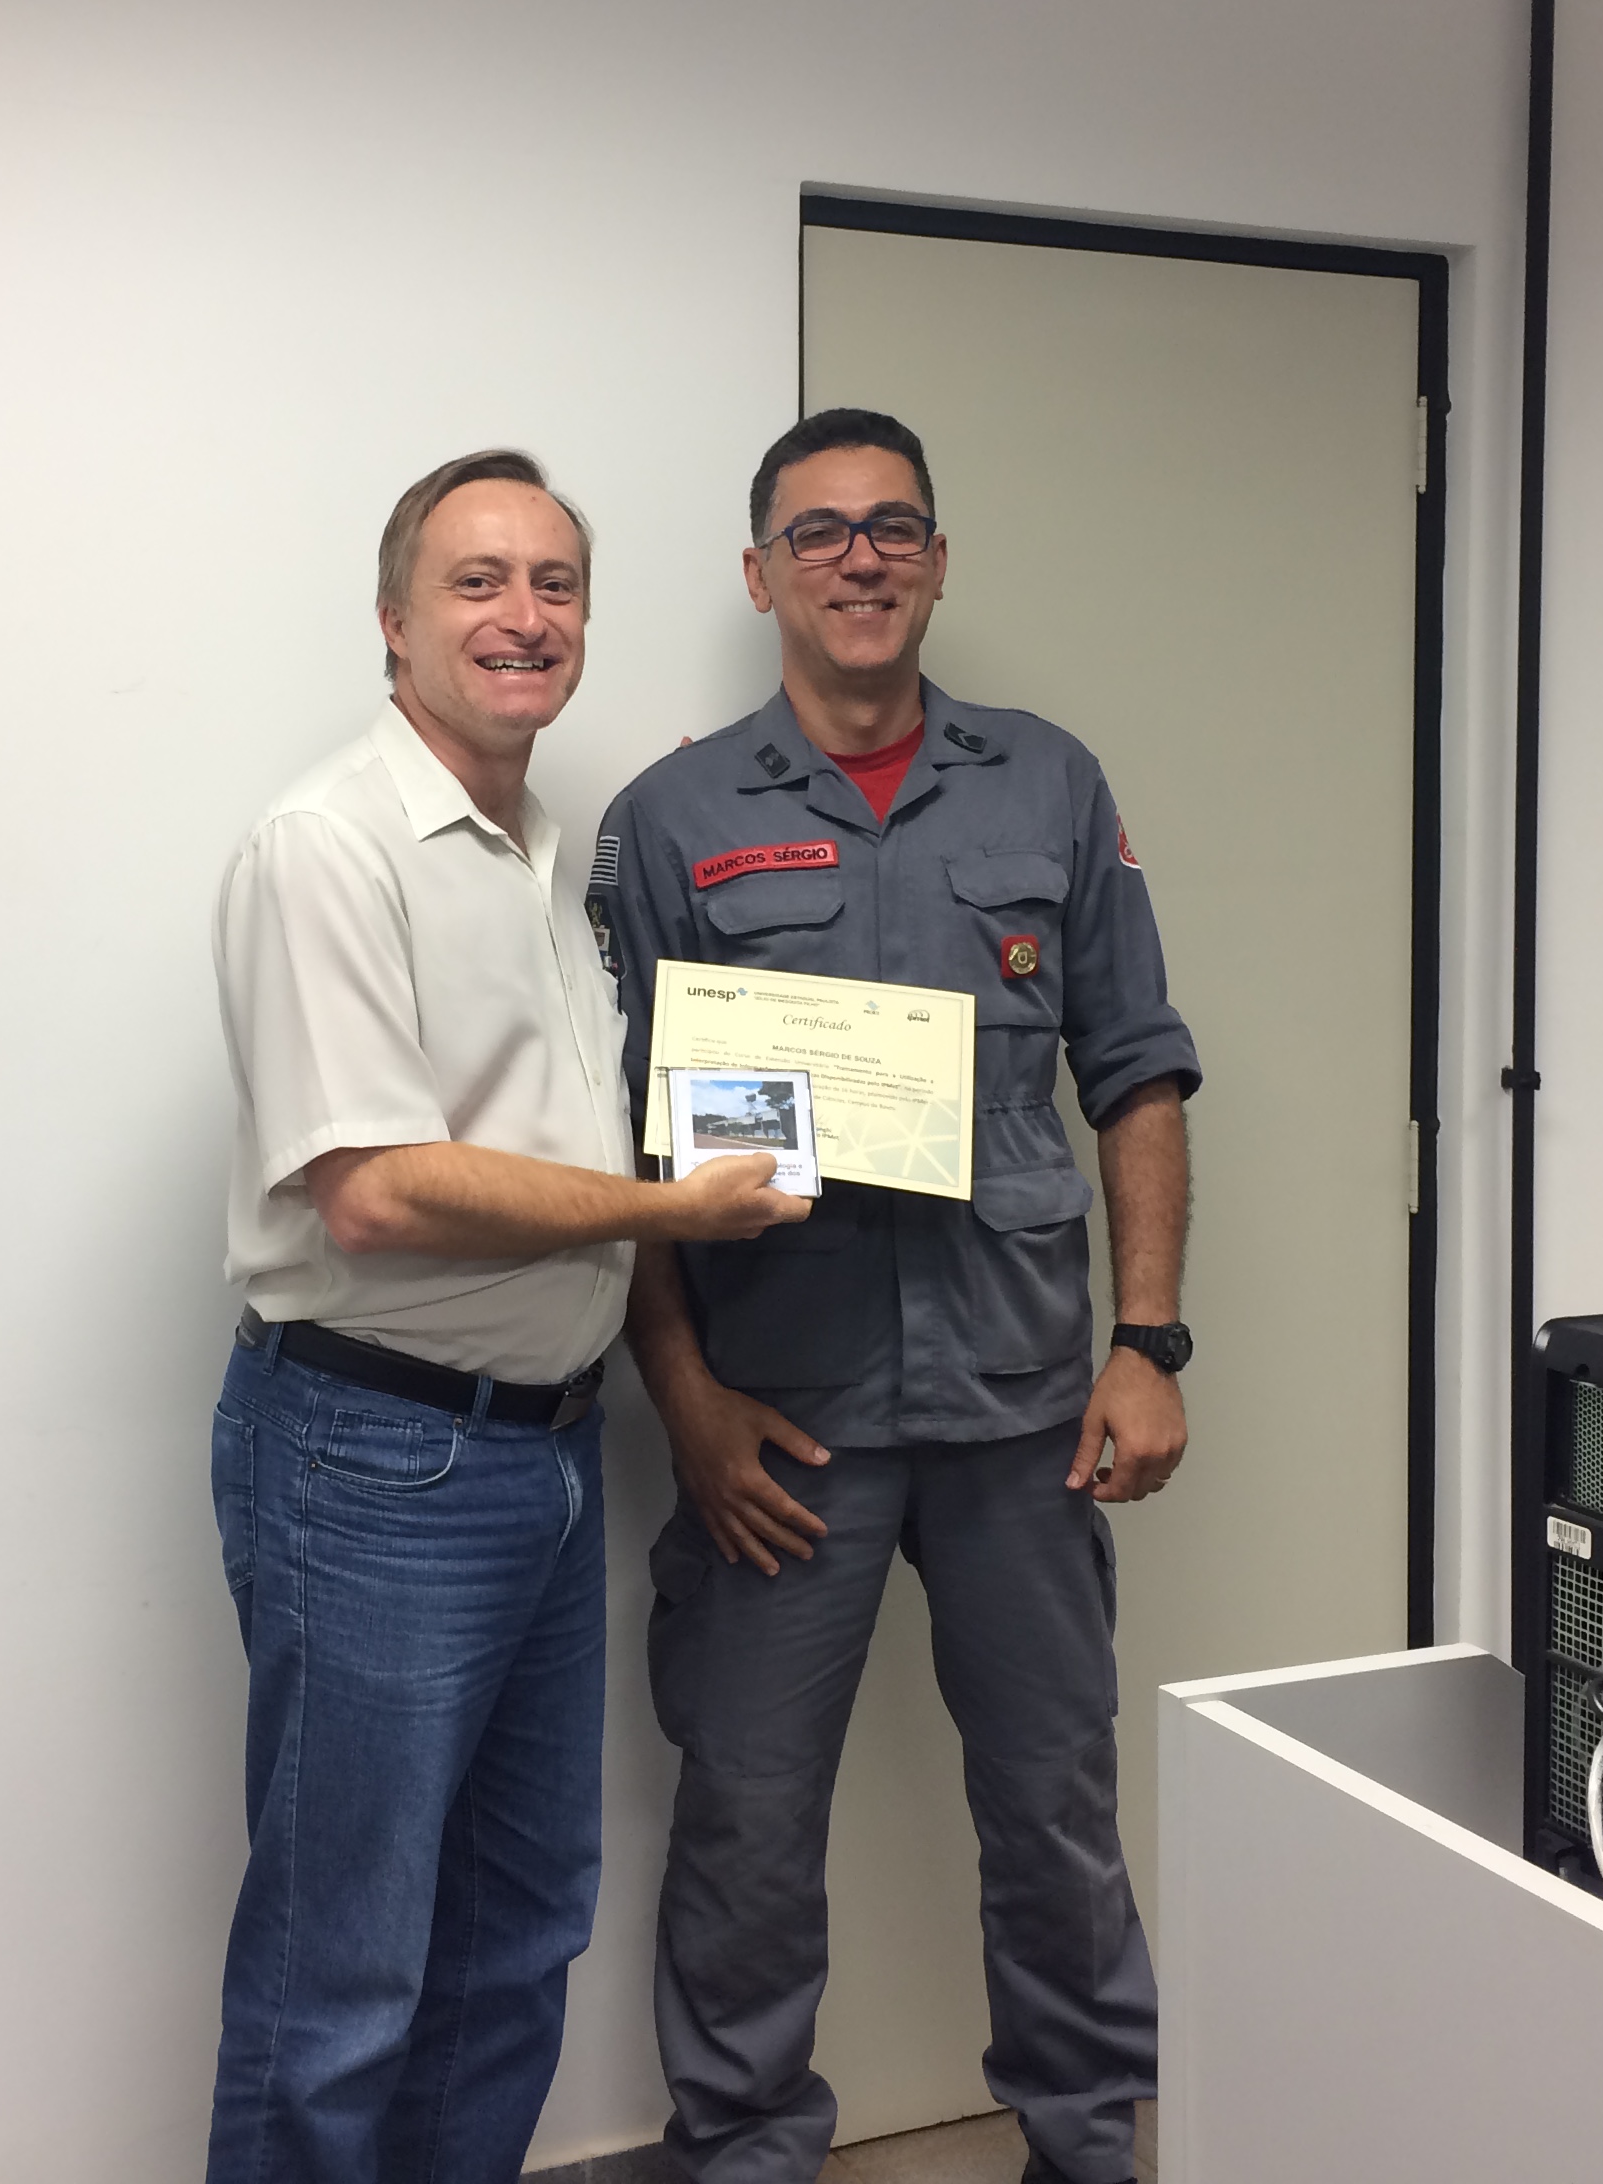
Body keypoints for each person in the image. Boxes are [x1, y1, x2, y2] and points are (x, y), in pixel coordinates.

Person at [590, 409, 1200, 2184]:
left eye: (895, 526)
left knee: (1057, 1813)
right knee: (747, 1828)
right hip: (782, 1430)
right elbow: (622, 1146)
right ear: (760, 573)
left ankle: (1087, 2149)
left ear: (937, 561)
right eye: (820, 530)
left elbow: (1138, 1073)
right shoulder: (672, 819)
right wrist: (686, 1403)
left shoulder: (1050, 785)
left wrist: (1147, 1345)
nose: (860, 557)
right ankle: (747, 2152)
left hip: (1023, 1413)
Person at [205, 448, 808, 2184]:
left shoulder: (544, 857)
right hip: (369, 1460)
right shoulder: (331, 847)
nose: (523, 616)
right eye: (477, 582)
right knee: (341, 1973)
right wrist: (673, 1214)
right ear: (393, 622)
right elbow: (377, 1191)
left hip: (541, 1459)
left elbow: (569, 1129)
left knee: (516, 1929)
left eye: (555, 583)